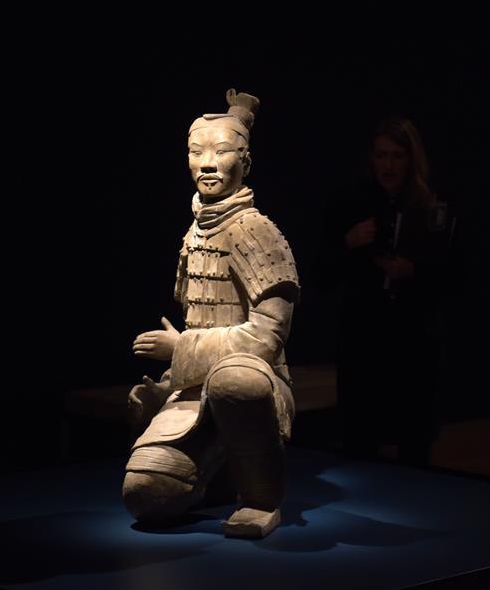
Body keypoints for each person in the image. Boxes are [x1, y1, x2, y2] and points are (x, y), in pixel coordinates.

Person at [123, 89, 299, 539]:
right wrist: (166, 388)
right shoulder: (196, 229)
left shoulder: (257, 232)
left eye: (222, 151)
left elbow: (267, 337)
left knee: (234, 381)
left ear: (246, 161)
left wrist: (180, 347)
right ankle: (216, 472)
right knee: (145, 495)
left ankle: (261, 498)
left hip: (254, 383)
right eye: (196, 151)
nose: (206, 163)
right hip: (195, 388)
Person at [314, 117, 445, 466]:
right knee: (360, 436)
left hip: (413, 336)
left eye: (397, 156)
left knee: (414, 438)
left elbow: (455, 272)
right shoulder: (350, 200)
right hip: (363, 336)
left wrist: (413, 270)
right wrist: (349, 242)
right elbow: (319, 272)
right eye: (381, 156)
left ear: (410, 159)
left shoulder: (430, 204)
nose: (388, 165)